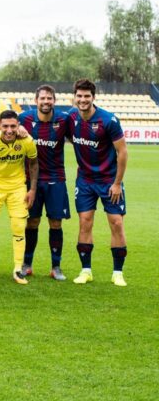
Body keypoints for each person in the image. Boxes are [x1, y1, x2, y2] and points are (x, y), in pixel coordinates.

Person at [66, 79, 128, 287]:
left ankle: (117, 272)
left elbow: (122, 152)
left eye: (87, 96)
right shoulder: (72, 117)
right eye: (79, 96)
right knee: (85, 222)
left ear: (93, 97)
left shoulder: (108, 121)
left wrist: (117, 183)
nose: (83, 100)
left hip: (109, 181)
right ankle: (86, 271)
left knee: (116, 223)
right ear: (74, 97)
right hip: (85, 181)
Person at [0, 110, 38, 284]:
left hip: (17, 188)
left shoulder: (27, 141)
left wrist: (32, 189)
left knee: (19, 226)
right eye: (5, 126)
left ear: (18, 126)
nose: (9, 130)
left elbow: (33, 164)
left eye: (13, 126)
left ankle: (18, 269)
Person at [18, 85, 70, 281]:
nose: (46, 102)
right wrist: (18, 127)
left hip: (56, 178)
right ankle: (27, 264)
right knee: (32, 221)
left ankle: (56, 266)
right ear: (36, 100)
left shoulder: (63, 119)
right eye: (43, 98)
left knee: (55, 222)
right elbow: (4, 127)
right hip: (31, 180)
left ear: (54, 101)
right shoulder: (24, 118)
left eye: (49, 98)